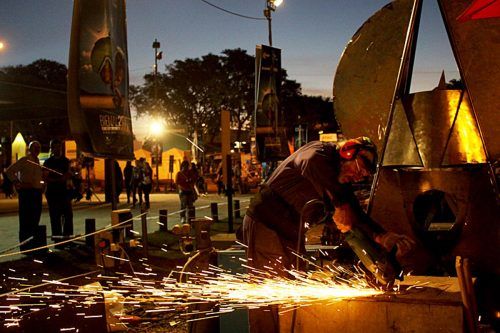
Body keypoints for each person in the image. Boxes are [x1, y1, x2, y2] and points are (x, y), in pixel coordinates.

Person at [241, 137, 414, 333]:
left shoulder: (340, 185)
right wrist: (340, 205)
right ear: (347, 151)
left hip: (291, 231)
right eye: (362, 165)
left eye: (366, 173)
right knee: (268, 294)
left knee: (292, 288)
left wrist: (383, 236)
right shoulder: (320, 153)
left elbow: (355, 215)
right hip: (267, 223)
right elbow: (310, 162)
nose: (361, 175)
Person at [5, 141, 44, 252]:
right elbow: (9, 171)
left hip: (36, 193)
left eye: (39, 147)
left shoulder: (37, 161)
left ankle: (33, 244)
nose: (37, 150)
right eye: (35, 148)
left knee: (35, 218)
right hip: (27, 193)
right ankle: (25, 246)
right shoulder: (24, 160)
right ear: (30, 149)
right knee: (25, 219)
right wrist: (17, 182)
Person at [43, 139, 74, 245]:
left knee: (68, 215)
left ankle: (67, 237)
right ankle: (57, 239)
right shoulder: (48, 162)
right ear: (51, 148)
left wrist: (67, 177)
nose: (58, 149)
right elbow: (45, 177)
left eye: (59, 147)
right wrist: (57, 180)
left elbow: (69, 173)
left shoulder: (65, 161)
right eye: (55, 147)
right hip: (52, 192)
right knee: (55, 216)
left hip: (64, 191)